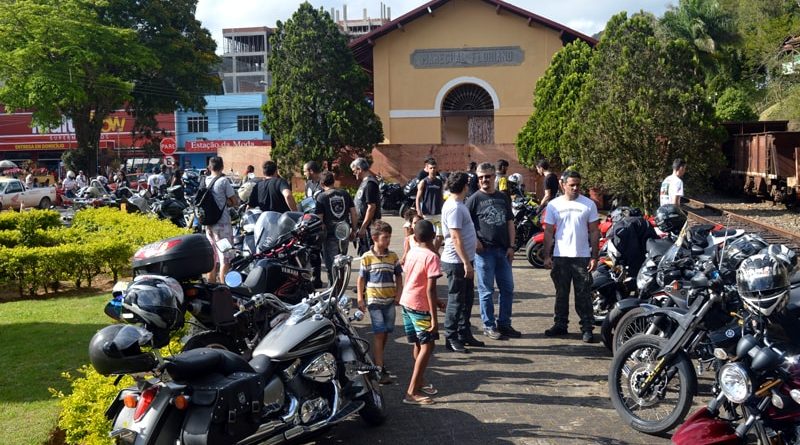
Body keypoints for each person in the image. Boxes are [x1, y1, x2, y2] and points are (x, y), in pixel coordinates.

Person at [542, 170, 600, 343]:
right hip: (561, 257)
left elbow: (595, 231)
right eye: (572, 184)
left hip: (582, 257)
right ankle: (560, 324)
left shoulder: (589, 204)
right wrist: (547, 255)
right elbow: (549, 231)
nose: (575, 188)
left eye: (578, 185)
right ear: (563, 184)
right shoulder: (553, 205)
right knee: (561, 293)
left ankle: (587, 327)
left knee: (583, 295)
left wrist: (594, 256)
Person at [466, 162, 519, 340]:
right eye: (480, 177)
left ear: (494, 177)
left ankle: (504, 324)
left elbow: (510, 222)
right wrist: (475, 241)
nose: (484, 180)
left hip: (503, 251)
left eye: (487, 176)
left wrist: (512, 246)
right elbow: (466, 225)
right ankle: (489, 326)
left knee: (508, 289)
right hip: (484, 252)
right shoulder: (473, 199)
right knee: (486, 291)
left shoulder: (503, 198)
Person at [399, 219, 444, 405]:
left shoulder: (412, 252)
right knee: (428, 346)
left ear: (414, 237)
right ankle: (412, 392)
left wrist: (436, 301)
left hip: (407, 302)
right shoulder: (432, 257)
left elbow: (415, 279)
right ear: (434, 237)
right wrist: (434, 319)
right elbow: (430, 289)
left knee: (418, 344)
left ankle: (420, 380)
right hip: (420, 306)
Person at [357, 220, 403, 385]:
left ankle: (378, 358)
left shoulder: (393, 257)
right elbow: (361, 279)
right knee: (379, 333)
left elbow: (398, 276)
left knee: (386, 332)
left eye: (389, 237)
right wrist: (361, 298)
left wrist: (399, 294)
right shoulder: (367, 257)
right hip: (374, 300)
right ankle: (378, 369)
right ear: (375, 238)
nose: (388, 241)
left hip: (389, 300)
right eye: (385, 237)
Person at [441, 171, 483, 353]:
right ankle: (451, 336)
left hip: (465, 259)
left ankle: (463, 332)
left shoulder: (458, 204)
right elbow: (455, 237)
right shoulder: (454, 207)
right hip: (457, 261)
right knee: (456, 300)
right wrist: (466, 262)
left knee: (466, 299)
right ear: (465, 186)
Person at [315, 171, 358, 285]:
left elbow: (319, 219)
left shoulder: (321, 197)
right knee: (342, 261)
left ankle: (333, 290)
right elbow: (353, 213)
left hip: (329, 235)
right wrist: (354, 229)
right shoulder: (344, 193)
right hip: (344, 232)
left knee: (332, 264)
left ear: (321, 183)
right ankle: (341, 286)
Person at [202, 156, 240, 283]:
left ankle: (211, 286)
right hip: (222, 224)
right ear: (222, 167)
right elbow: (234, 201)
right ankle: (224, 287)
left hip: (208, 225)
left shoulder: (204, 181)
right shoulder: (223, 181)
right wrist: (227, 202)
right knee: (226, 257)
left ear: (209, 167)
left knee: (212, 257)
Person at [351, 158, 381, 255]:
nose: (353, 173)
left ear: (359, 169)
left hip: (369, 228)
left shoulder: (370, 184)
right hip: (364, 227)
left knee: (369, 255)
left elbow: (371, 207)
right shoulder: (365, 182)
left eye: (354, 171)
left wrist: (363, 227)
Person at [415, 157, 444, 251]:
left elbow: (441, 197)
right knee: (428, 236)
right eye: (431, 168)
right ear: (427, 169)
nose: (433, 170)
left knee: (440, 235)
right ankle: (428, 252)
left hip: (438, 213)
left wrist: (443, 208)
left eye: (434, 168)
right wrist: (419, 211)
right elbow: (418, 198)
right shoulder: (424, 182)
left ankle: (435, 251)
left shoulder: (439, 182)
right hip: (427, 213)